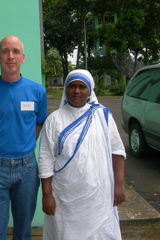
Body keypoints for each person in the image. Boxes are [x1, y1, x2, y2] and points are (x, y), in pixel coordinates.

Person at [38, 69, 126, 239]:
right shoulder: (54, 120)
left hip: (99, 195)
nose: (76, 91)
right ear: (66, 89)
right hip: (65, 196)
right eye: (72, 86)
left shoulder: (103, 116)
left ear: (90, 91)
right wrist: (47, 195)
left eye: (82, 87)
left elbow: (117, 151)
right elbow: (46, 160)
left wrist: (119, 184)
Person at [0, 35, 48, 240]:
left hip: (27, 167)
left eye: (15, 51)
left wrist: (22, 146)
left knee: (24, 231)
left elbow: (38, 124)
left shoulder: (37, 91)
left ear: (23, 58)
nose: (10, 56)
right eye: (5, 51)